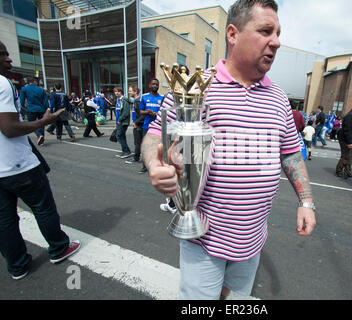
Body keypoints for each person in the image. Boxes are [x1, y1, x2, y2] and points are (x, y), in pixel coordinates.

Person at [141, 0, 316, 300]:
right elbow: (154, 134)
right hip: (203, 238)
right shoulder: (195, 87)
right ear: (233, 34)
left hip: (252, 239)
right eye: (265, 31)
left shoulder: (278, 98)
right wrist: (154, 165)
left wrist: (307, 201)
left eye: (278, 33)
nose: (276, 41)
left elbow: (290, 153)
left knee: (232, 299)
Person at [0, 41, 81, 280]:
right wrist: (43, 123)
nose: (9, 60)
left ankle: (17, 266)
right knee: (43, 208)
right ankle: (59, 247)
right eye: (2, 55)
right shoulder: (3, 83)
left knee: (4, 219)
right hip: (17, 165)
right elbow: (9, 128)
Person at [135, 78, 163, 174]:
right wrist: (148, 112)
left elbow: (164, 111)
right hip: (147, 126)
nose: (155, 86)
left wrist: (158, 113)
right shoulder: (144, 97)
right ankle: (144, 166)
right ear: (149, 85)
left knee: (158, 148)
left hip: (159, 127)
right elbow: (140, 111)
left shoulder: (162, 98)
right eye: (153, 84)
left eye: (156, 84)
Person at [19, 77, 48, 146]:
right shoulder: (41, 90)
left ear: (28, 82)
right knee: (42, 123)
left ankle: (39, 135)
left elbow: (21, 101)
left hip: (31, 109)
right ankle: (42, 138)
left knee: (31, 123)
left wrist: (24, 108)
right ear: (35, 82)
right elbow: (46, 102)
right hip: (41, 109)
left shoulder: (24, 89)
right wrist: (46, 109)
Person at [124, 85, 143, 165]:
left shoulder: (137, 101)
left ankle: (136, 157)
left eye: (130, 91)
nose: (129, 92)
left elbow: (141, 115)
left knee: (138, 142)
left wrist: (136, 122)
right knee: (138, 142)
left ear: (135, 92)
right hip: (137, 124)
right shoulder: (135, 101)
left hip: (138, 125)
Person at [114, 87, 132, 158]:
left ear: (121, 92)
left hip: (123, 122)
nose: (116, 93)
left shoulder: (123, 100)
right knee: (122, 136)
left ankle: (126, 151)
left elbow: (126, 112)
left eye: (118, 91)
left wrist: (120, 120)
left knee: (119, 136)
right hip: (119, 122)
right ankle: (125, 151)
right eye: (115, 91)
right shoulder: (118, 100)